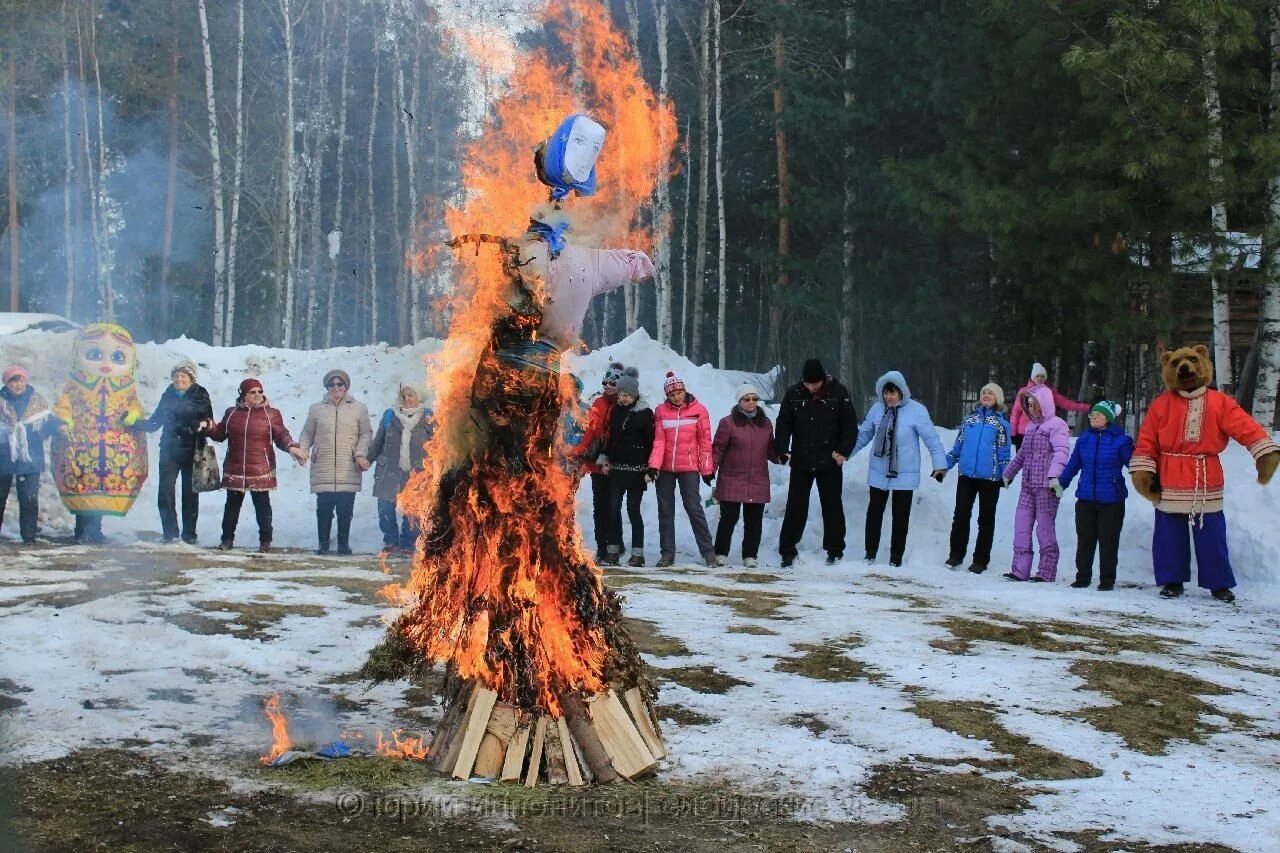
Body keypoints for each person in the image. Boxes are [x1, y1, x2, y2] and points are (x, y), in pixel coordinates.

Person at [852, 370, 948, 567]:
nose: (889, 397)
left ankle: (896, 557)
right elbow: (863, 436)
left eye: (893, 392)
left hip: (905, 472)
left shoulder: (916, 411)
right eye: (886, 393)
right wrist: (844, 454)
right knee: (874, 513)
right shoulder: (877, 410)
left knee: (900, 515)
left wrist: (939, 464)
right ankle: (870, 553)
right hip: (879, 471)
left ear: (902, 392)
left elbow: (931, 439)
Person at [204, 378, 307, 552]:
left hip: (260, 467)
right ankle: (226, 541)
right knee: (232, 507)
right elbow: (220, 433)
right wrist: (209, 426)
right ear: (243, 395)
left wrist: (292, 447)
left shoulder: (271, 413)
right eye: (253, 392)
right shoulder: (232, 413)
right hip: (235, 467)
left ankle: (265, 543)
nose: (258, 395)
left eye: (260, 391)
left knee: (262, 506)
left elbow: (281, 435)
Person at [774, 358, 857, 568]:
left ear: (823, 380)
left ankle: (835, 549)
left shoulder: (838, 393)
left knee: (832, 505)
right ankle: (787, 549)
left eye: (815, 384)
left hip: (829, 459)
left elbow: (849, 425)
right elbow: (783, 423)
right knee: (795, 505)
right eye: (808, 384)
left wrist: (843, 451)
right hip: (801, 459)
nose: (811, 387)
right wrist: (783, 449)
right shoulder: (794, 394)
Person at [136, 359, 214, 544]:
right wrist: (132, 423)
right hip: (170, 449)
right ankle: (169, 534)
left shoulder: (200, 394)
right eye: (176, 376)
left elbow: (209, 419)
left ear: (191, 378)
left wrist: (201, 424)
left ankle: (189, 535)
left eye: (183, 375)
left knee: (190, 493)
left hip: (192, 448)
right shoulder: (168, 394)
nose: (179, 379)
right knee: (165, 491)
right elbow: (155, 423)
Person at [1059, 400, 1133, 591]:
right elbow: (1073, 465)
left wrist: (1149, 480)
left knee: (1108, 541)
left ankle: (1107, 580)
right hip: (1085, 499)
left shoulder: (1122, 441)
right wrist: (1060, 484)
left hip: (1112, 501)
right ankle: (1082, 577)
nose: (1093, 417)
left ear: (1108, 418)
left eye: (1097, 415)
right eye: (1092, 415)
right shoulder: (1084, 439)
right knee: (1085, 539)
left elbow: (1134, 466)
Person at [647, 371, 716, 568]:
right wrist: (654, 465)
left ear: (685, 391)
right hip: (666, 468)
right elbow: (659, 441)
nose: (677, 397)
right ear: (667, 396)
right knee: (665, 510)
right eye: (672, 394)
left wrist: (706, 469)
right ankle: (667, 553)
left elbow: (705, 441)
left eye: (679, 392)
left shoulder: (699, 410)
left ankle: (708, 553)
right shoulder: (660, 411)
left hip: (689, 466)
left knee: (694, 507)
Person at [299, 369, 372, 555]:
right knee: (323, 508)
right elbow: (307, 433)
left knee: (345, 509)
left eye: (340, 384)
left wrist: (360, 454)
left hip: (348, 465)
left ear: (346, 386)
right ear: (327, 387)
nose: (336, 387)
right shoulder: (316, 409)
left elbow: (365, 434)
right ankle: (323, 544)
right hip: (323, 464)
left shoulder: (359, 408)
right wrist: (302, 450)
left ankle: (343, 544)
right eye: (332, 384)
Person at [1002, 385, 1070, 582]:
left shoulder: (1057, 425)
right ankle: (1019, 570)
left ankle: (1046, 571)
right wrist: (1009, 473)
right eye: (1029, 405)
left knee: (1044, 528)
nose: (1031, 408)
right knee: (1021, 525)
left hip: (1046, 487)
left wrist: (1055, 477)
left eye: (1034, 404)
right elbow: (1023, 454)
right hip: (1027, 486)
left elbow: (1061, 452)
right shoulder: (1030, 427)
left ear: (1044, 404)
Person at [942, 383, 1012, 573]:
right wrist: (944, 465)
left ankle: (980, 560)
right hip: (966, 476)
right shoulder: (969, 421)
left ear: (998, 398)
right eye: (984, 393)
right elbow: (958, 448)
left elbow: (1004, 453)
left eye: (991, 393)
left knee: (986, 519)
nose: (987, 395)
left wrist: (1006, 474)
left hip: (990, 478)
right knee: (961, 516)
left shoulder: (1002, 425)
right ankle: (955, 555)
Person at [711, 383, 775, 569]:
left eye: (755, 399)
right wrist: (710, 469)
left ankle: (750, 555)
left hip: (758, 478)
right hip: (732, 477)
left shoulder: (766, 423)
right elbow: (718, 449)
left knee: (754, 520)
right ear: (739, 401)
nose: (751, 402)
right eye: (747, 399)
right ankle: (721, 552)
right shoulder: (728, 422)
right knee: (729, 517)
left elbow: (770, 450)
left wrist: (781, 456)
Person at [368, 385, 433, 554]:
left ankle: (408, 544)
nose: (407, 399)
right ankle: (390, 540)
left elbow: (436, 443)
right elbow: (378, 440)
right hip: (389, 467)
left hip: (417, 471)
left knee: (413, 509)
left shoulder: (428, 417)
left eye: (411, 395)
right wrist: (367, 459)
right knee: (385, 506)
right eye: (403, 396)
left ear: (419, 397)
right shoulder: (390, 415)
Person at [597, 367, 652, 566]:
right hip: (617, 469)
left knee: (633, 511)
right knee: (613, 510)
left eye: (627, 395)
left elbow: (651, 442)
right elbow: (611, 438)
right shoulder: (617, 411)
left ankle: (638, 553)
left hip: (637, 471)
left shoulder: (645, 414)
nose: (624, 398)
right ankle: (613, 550)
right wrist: (606, 458)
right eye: (621, 395)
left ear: (635, 395)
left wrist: (650, 468)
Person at [572, 362, 625, 563]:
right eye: (605, 382)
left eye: (612, 382)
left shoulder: (622, 405)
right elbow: (591, 432)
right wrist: (580, 450)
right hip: (597, 463)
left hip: (614, 464)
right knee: (599, 507)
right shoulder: (598, 404)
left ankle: (615, 547)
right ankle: (602, 547)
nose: (608, 386)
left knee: (613, 506)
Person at [0, 365, 57, 544]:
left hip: (30, 459)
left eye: (21, 380)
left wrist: (60, 426)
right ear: (6, 383)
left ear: (26, 381)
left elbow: (48, 425)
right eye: (13, 380)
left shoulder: (37, 402)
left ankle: (29, 538)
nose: (18, 384)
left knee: (29, 499)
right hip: (3, 457)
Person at [1010, 362, 1090, 449]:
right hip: (1023, 433)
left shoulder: (1050, 392)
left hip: (1043, 432)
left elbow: (1067, 403)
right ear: (1033, 377)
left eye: (1042, 376)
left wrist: (1089, 408)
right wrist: (1012, 433)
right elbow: (1016, 412)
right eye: (1037, 376)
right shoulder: (1024, 392)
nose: (1040, 378)